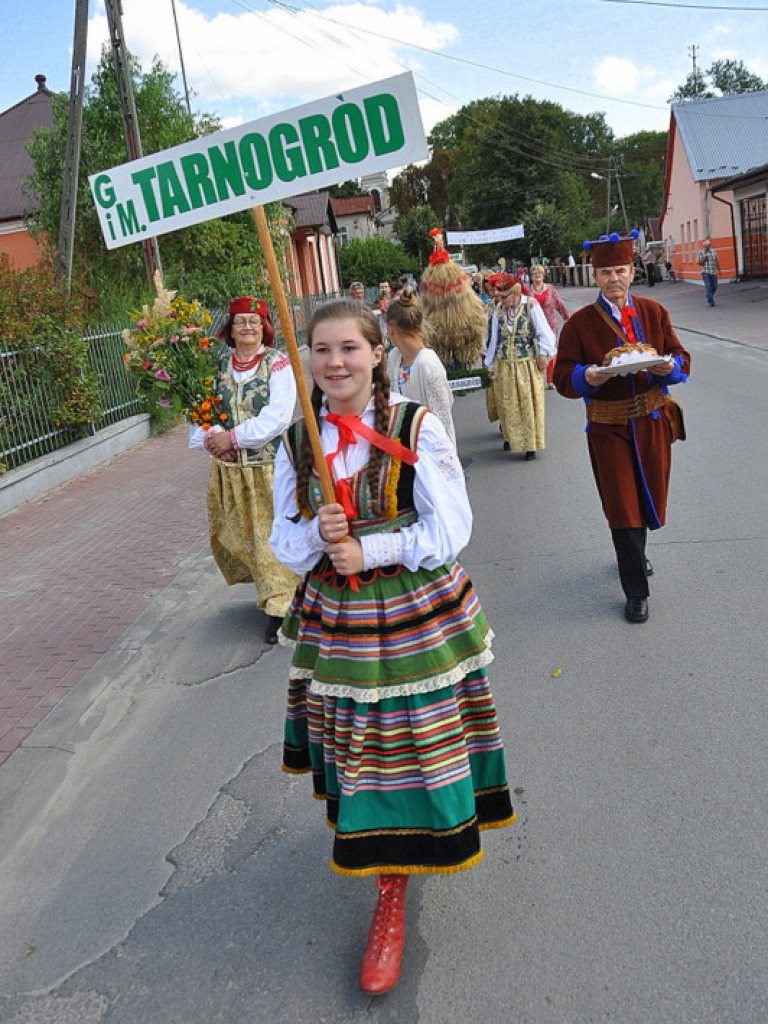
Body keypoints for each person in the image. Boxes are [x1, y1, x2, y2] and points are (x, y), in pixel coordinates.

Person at [269, 299, 514, 995]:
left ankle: (394, 890)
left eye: (349, 347)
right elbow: (281, 544)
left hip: (413, 610)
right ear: (307, 359)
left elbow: (451, 527)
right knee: (359, 751)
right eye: (321, 349)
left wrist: (371, 545)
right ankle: (389, 879)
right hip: (339, 624)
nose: (335, 362)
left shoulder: (415, 424)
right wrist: (319, 535)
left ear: (378, 353)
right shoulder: (299, 440)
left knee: (416, 743)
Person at [554, 233, 691, 624]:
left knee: (648, 496)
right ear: (595, 276)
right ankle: (635, 591)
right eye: (605, 272)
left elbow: (680, 355)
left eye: (620, 270)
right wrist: (588, 377)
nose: (614, 278)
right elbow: (562, 375)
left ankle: (634, 554)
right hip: (608, 426)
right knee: (622, 504)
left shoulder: (653, 311)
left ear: (632, 272)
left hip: (651, 422)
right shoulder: (579, 325)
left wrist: (672, 368)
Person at [190, 296, 299, 644]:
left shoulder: (277, 364)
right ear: (230, 329)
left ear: (264, 327)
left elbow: (278, 416)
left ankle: (281, 609)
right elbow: (202, 412)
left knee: (270, 538)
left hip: (267, 468)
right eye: (240, 321)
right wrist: (209, 437)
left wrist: (233, 438)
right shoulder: (217, 366)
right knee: (238, 537)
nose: (247, 327)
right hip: (229, 471)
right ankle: (276, 593)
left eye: (254, 320)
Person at [484, 272, 556, 460]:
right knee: (507, 404)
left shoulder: (530, 305)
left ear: (516, 293)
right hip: (504, 364)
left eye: (504, 296)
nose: (501, 299)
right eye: (499, 296)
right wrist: (490, 364)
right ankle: (511, 438)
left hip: (526, 364)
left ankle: (530, 444)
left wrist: (543, 355)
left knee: (526, 403)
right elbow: (494, 340)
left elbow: (545, 334)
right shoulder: (499, 310)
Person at [385, 286, 457, 445]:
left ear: (390, 329)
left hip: (429, 449)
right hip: (403, 446)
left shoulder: (427, 363)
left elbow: (442, 418)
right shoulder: (394, 357)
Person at [529, 262, 570, 388]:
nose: (537, 275)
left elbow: (559, 304)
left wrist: (568, 318)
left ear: (543, 275)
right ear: (531, 276)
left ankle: (550, 379)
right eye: (535, 273)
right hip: (533, 326)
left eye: (540, 273)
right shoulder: (527, 291)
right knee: (535, 352)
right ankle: (536, 378)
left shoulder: (550, 289)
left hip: (550, 324)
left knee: (550, 351)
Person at [697, 238, 720, 306]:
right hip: (706, 272)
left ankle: (709, 295)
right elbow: (699, 263)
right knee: (709, 286)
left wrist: (719, 269)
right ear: (704, 246)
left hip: (713, 272)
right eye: (707, 245)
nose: (708, 247)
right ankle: (711, 300)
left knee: (715, 286)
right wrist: (704, 259)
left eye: (709, 245)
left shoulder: (714, 251)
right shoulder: (701, 252)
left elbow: (716, 260)